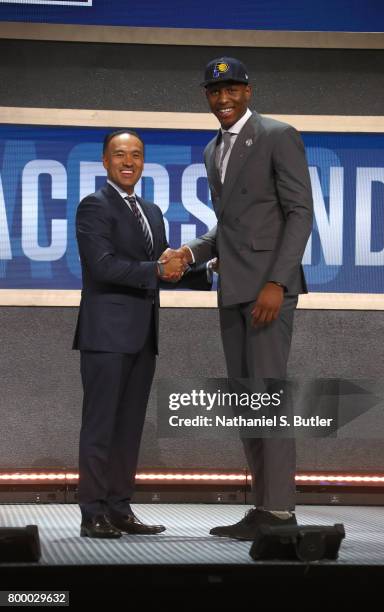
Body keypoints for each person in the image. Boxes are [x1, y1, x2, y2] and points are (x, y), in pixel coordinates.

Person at [163, 57, 313, 540]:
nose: (223, 99)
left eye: (231, 89)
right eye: (213, 91)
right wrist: (190, 251)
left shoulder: (276, 135)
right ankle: (263, 507)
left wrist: (278, 283)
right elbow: (227, 228)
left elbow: (299, 213)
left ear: (248, 90)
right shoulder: (212, 150)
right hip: (233, 292)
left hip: (268, 291)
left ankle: (282, 512)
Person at [73, 129, 211, 538]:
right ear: (104, 161)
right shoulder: (93, 207)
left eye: (135, 154)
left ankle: (119, 508)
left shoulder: (151, 211)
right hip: (105, 335)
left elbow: (164, 271)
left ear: (143, 161)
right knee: (100, 426)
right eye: (120, 154)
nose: (128, 161)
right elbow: (103, 267)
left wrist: (206, 272)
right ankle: (92, 512)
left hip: (142, 336)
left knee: (130, 426)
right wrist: (156, 269)